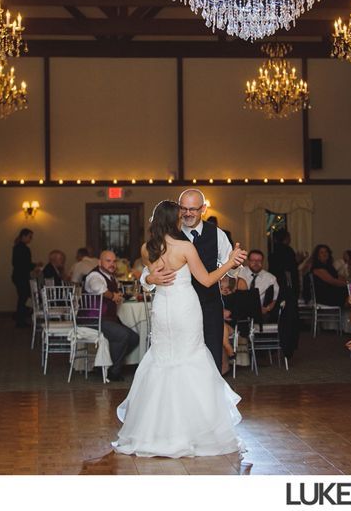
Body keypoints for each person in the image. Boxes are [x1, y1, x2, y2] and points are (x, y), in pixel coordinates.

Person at [112, 200, 247, 457]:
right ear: (175, 221)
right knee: (191, 357)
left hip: (162, 307)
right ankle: (194, 429)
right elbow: (206, 280)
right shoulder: (185, 247)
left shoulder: (147, 248)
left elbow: (156, 277)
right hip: (185, 307)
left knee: (162, 359)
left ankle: (156, 431)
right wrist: (229, 264)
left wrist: (151, 278)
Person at [141, 189, 237, 369]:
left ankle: (206, 395)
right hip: (180, 307)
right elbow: (147, 274)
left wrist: (234, 266)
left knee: (211, 355)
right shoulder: (168, 241)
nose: (187, 213)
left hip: (209, 304)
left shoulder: (218, 234)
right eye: (183, 209)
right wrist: (150, 279)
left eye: (193, 209)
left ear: (203, 209)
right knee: (180, 355)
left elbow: (230, 269)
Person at [83, 250, 140, 382]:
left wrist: (118, 295)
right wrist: (113, 295)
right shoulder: (94, 276)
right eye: (108, 261)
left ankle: (107, 365)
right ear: (100, 262)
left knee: (134, 338)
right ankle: (114, 372)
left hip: (107, 318)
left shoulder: (110, 277)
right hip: (93, 319)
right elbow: (99, 289)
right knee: (122, 335)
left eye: (114, 261)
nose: (112, 264)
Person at [11, 228, 34, 328]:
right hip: (22, 277)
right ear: (23, 236)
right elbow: (24, 264)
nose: (30, 239)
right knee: (23, 298)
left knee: (23, 298)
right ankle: (20, 319)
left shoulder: (18, 247)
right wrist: (34, 266)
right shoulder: (23, 248)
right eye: (29, 237)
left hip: (18, 276)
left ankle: (20, 317)